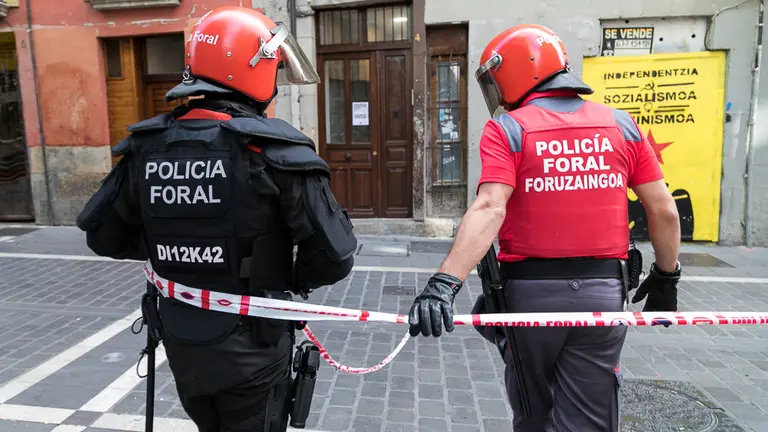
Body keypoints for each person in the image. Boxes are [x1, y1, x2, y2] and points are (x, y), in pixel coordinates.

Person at [76, 6, 357, 431]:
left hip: (182, 340)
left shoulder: (147, 147)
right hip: (253, 345)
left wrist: (175, 246)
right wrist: (287, 278)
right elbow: (335, 256)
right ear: (254, 69)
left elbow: (103, 236)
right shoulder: (276, 152)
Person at [407, 24, 682, 431]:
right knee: (591, 419)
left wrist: (444, 283)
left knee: (534, 412)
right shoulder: (622, 125)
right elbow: (664, 211)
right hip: (604, 294)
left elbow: (490, 207)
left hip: (529, 298)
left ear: (515, 70)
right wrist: (666, 276)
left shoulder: (508, 129)